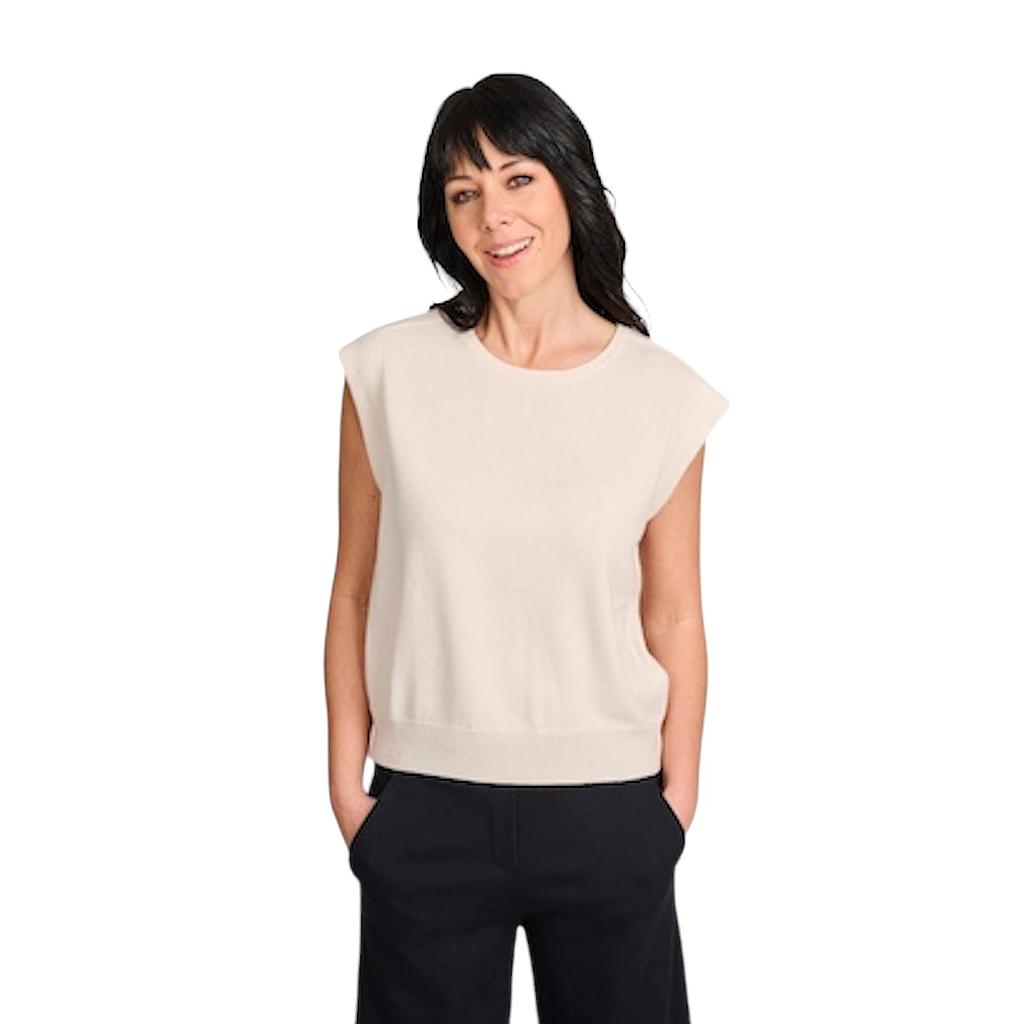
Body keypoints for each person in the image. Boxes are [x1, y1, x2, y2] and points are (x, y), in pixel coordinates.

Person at [325, 73, 730, 1023]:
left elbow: (674, 611)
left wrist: (674, 804)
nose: (493, 215)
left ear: (568, 185)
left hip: (609, 809)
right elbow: (354, 589)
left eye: (517, 179)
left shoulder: (662, 394)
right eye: (463, 192)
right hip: (424, 807)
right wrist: (350, 791)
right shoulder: (385, 372)